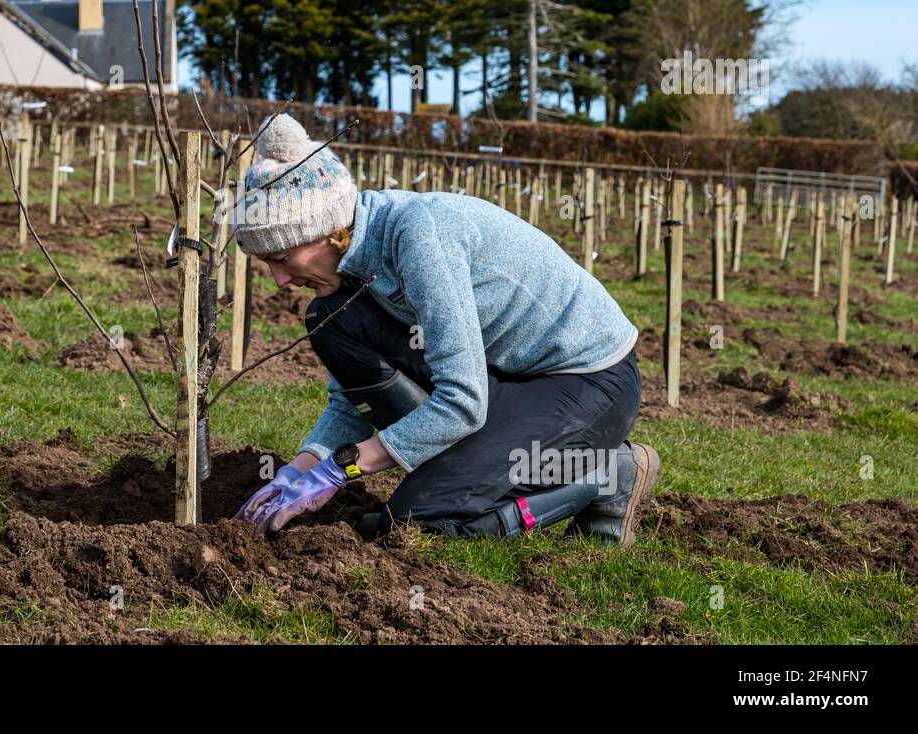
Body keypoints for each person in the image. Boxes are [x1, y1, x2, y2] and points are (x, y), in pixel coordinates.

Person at [230, 113, 659, 544]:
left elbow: (463, 401)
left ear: (326, 232)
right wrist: (298, 471)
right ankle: (470, 461)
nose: (279, 280)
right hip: (502, 376)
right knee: (328, 319)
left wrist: (346, 467)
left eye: (282, 258)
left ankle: (610, 476)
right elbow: (351, 401)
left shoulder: (419, 239)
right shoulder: (355, 266)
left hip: (587, 381)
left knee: (419, 520)